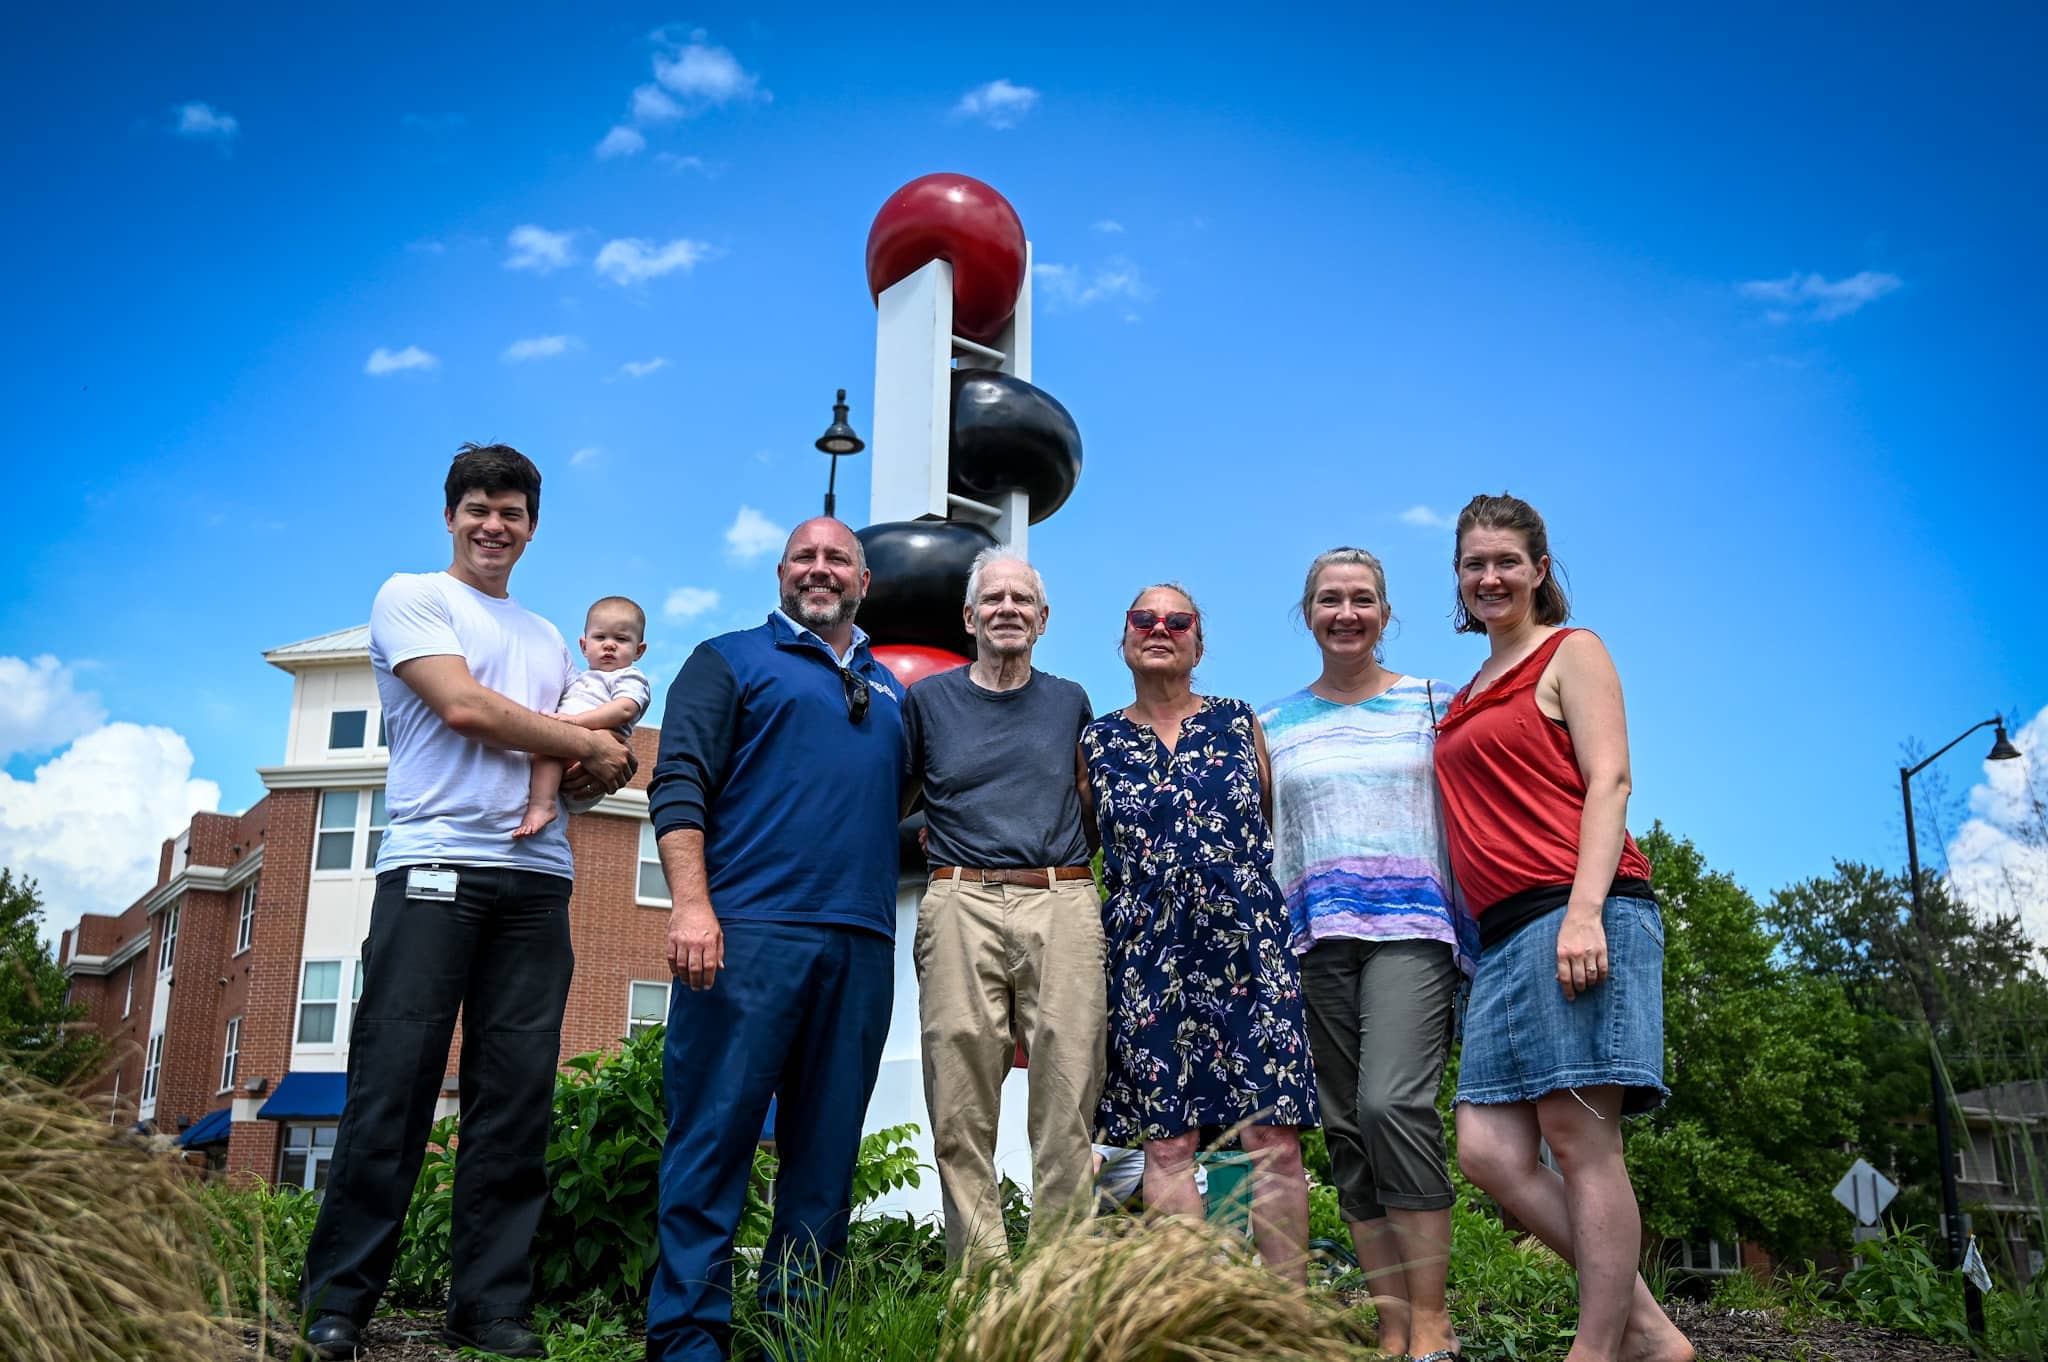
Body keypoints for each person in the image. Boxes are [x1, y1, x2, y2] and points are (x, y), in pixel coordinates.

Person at [298, 443, 635, 1362]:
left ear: (532, 526)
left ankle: (487, 1307)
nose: (494, 525)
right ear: (450, 515)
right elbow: (466, 710)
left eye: (512, 512)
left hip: (538, 879)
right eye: (479, 508)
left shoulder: (545, 637)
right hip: (432, 867)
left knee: (514, 1100)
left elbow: (570, 776)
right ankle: (339, 1302)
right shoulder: (413, 596)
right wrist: (585, 740)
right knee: (393, 1086)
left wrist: (592, 770)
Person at [1431, 494, 1693, 1362]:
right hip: (1502, 942)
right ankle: (1651, 1334)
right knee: (1489, 1152)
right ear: (1460, 579)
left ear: (1541, 570)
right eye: (1475, 563)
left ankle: (1597, 1350)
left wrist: (1585, 912)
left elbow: (1611, 782)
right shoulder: (1465, 691)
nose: (1490, 576)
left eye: (1507, 560)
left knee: (1582, 1139)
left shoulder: (1571, 653)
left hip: (1580, 910)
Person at [644, 517, 906, 1362]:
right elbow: (678, 781)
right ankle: (688, 1339)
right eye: (805, 557)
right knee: (713, 1140)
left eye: (838, 559)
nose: (820, 569)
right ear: (781, 572)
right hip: (748, 935)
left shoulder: (892, 689)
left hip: (861, 944)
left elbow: (905, 811)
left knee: (824, 1162)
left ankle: (789, 1339)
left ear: (864, 582)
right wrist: (691, 906)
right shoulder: (728, 661)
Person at [1259, 547, 1474, 1362]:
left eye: (1361, 600)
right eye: (1328, 600)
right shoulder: (1272, 726)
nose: (1345, 613)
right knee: (1347, 1128)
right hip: (1313, 937)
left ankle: (1433, 1323)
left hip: (1413, 931)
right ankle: (1391, 1327)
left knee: (1394, 1108)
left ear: (1385, 614)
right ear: (1306, 614)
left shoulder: (1432, 703)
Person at [1078, 583, 1318, 1284]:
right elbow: (1088, 844)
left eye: (1177, 620)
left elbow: (1265, 823)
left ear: (1198, 642)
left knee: (1273, 1137)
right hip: (1146, 954)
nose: (1160, 628)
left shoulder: (1241, 723)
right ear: (1124, 638)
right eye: (1143, 618)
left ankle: (1285, 1325)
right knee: (1168, 1141)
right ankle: (1192, 1318)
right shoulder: (1097, 742)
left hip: (1246, 944)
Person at [901, 547, 1103, 1270]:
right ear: (969, 616)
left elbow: (1093, 801)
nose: (1007, 609)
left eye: (1022, 600)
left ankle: (1058, 1279)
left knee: (1067, 1100)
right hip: (960, 899)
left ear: (1043, 620)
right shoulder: (926, 702)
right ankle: (981, 1280)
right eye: (993, 599)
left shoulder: (1070, 701)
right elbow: (890, 799)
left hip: (1063, 895)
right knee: (959, 1104)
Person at [516, 596, 652, 837]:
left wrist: (576, 723)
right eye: (600, 637)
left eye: (621, 639)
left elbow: (625, 709)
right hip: (576, 753)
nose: (609, 645)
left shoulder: (629, 677)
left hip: (588, 759)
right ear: (584, 645)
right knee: (545, 751)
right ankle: (543, 803)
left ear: (639, 650)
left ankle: (542, 806)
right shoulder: (580, 679)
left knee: (547, 748)